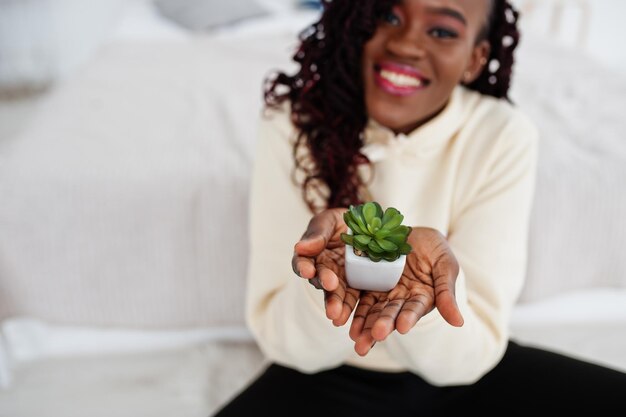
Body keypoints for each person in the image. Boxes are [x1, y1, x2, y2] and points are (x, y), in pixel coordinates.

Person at [213, 0, 626, 415]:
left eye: (442, 31)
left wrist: (427, 305)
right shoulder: (293, 121)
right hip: (324, 377)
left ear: (475, 59)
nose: (406, 44)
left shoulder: (502, 135)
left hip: (456, 371)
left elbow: (473, 353)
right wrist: (326, 285)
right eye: (389, 17)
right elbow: (281, 340)